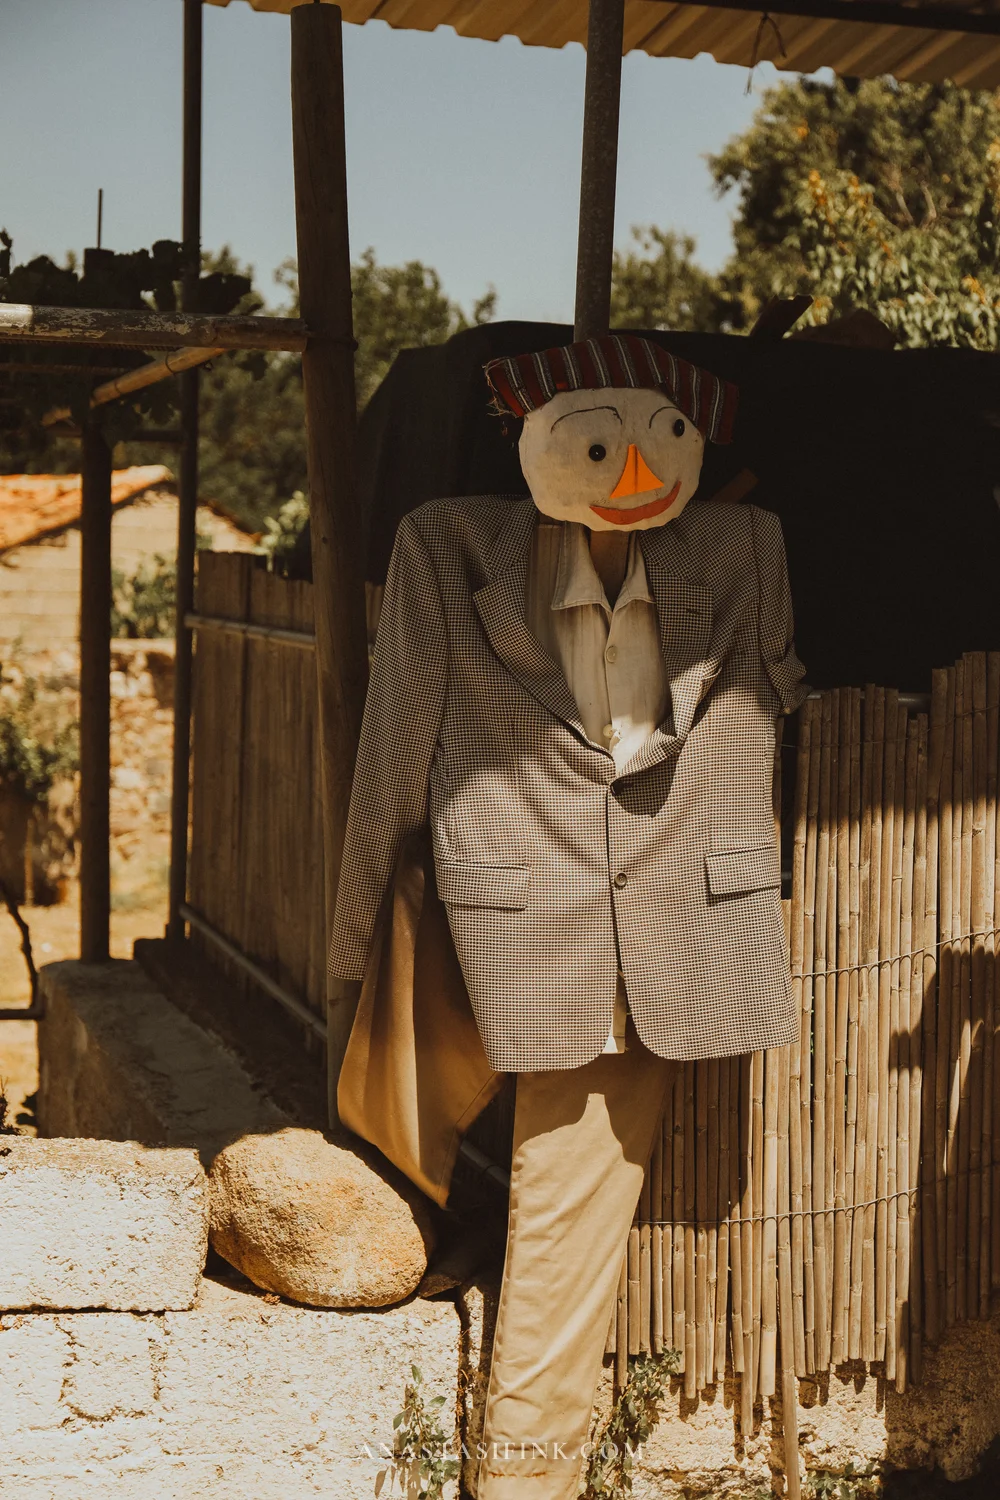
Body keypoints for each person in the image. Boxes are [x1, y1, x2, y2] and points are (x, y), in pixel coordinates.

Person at [329, 332, 807, 1499]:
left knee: (562, 1205)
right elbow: (398, 750)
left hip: (679, 929)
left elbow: (770, 703)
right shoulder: (449, 550)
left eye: (659, 442)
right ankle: (527, 1478)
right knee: (532, 1200)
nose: (634, 473)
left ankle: (527, 1474)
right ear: (535, 446)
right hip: (511, 919)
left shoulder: (740, 547)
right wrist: (353, 945)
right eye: (600, 446)